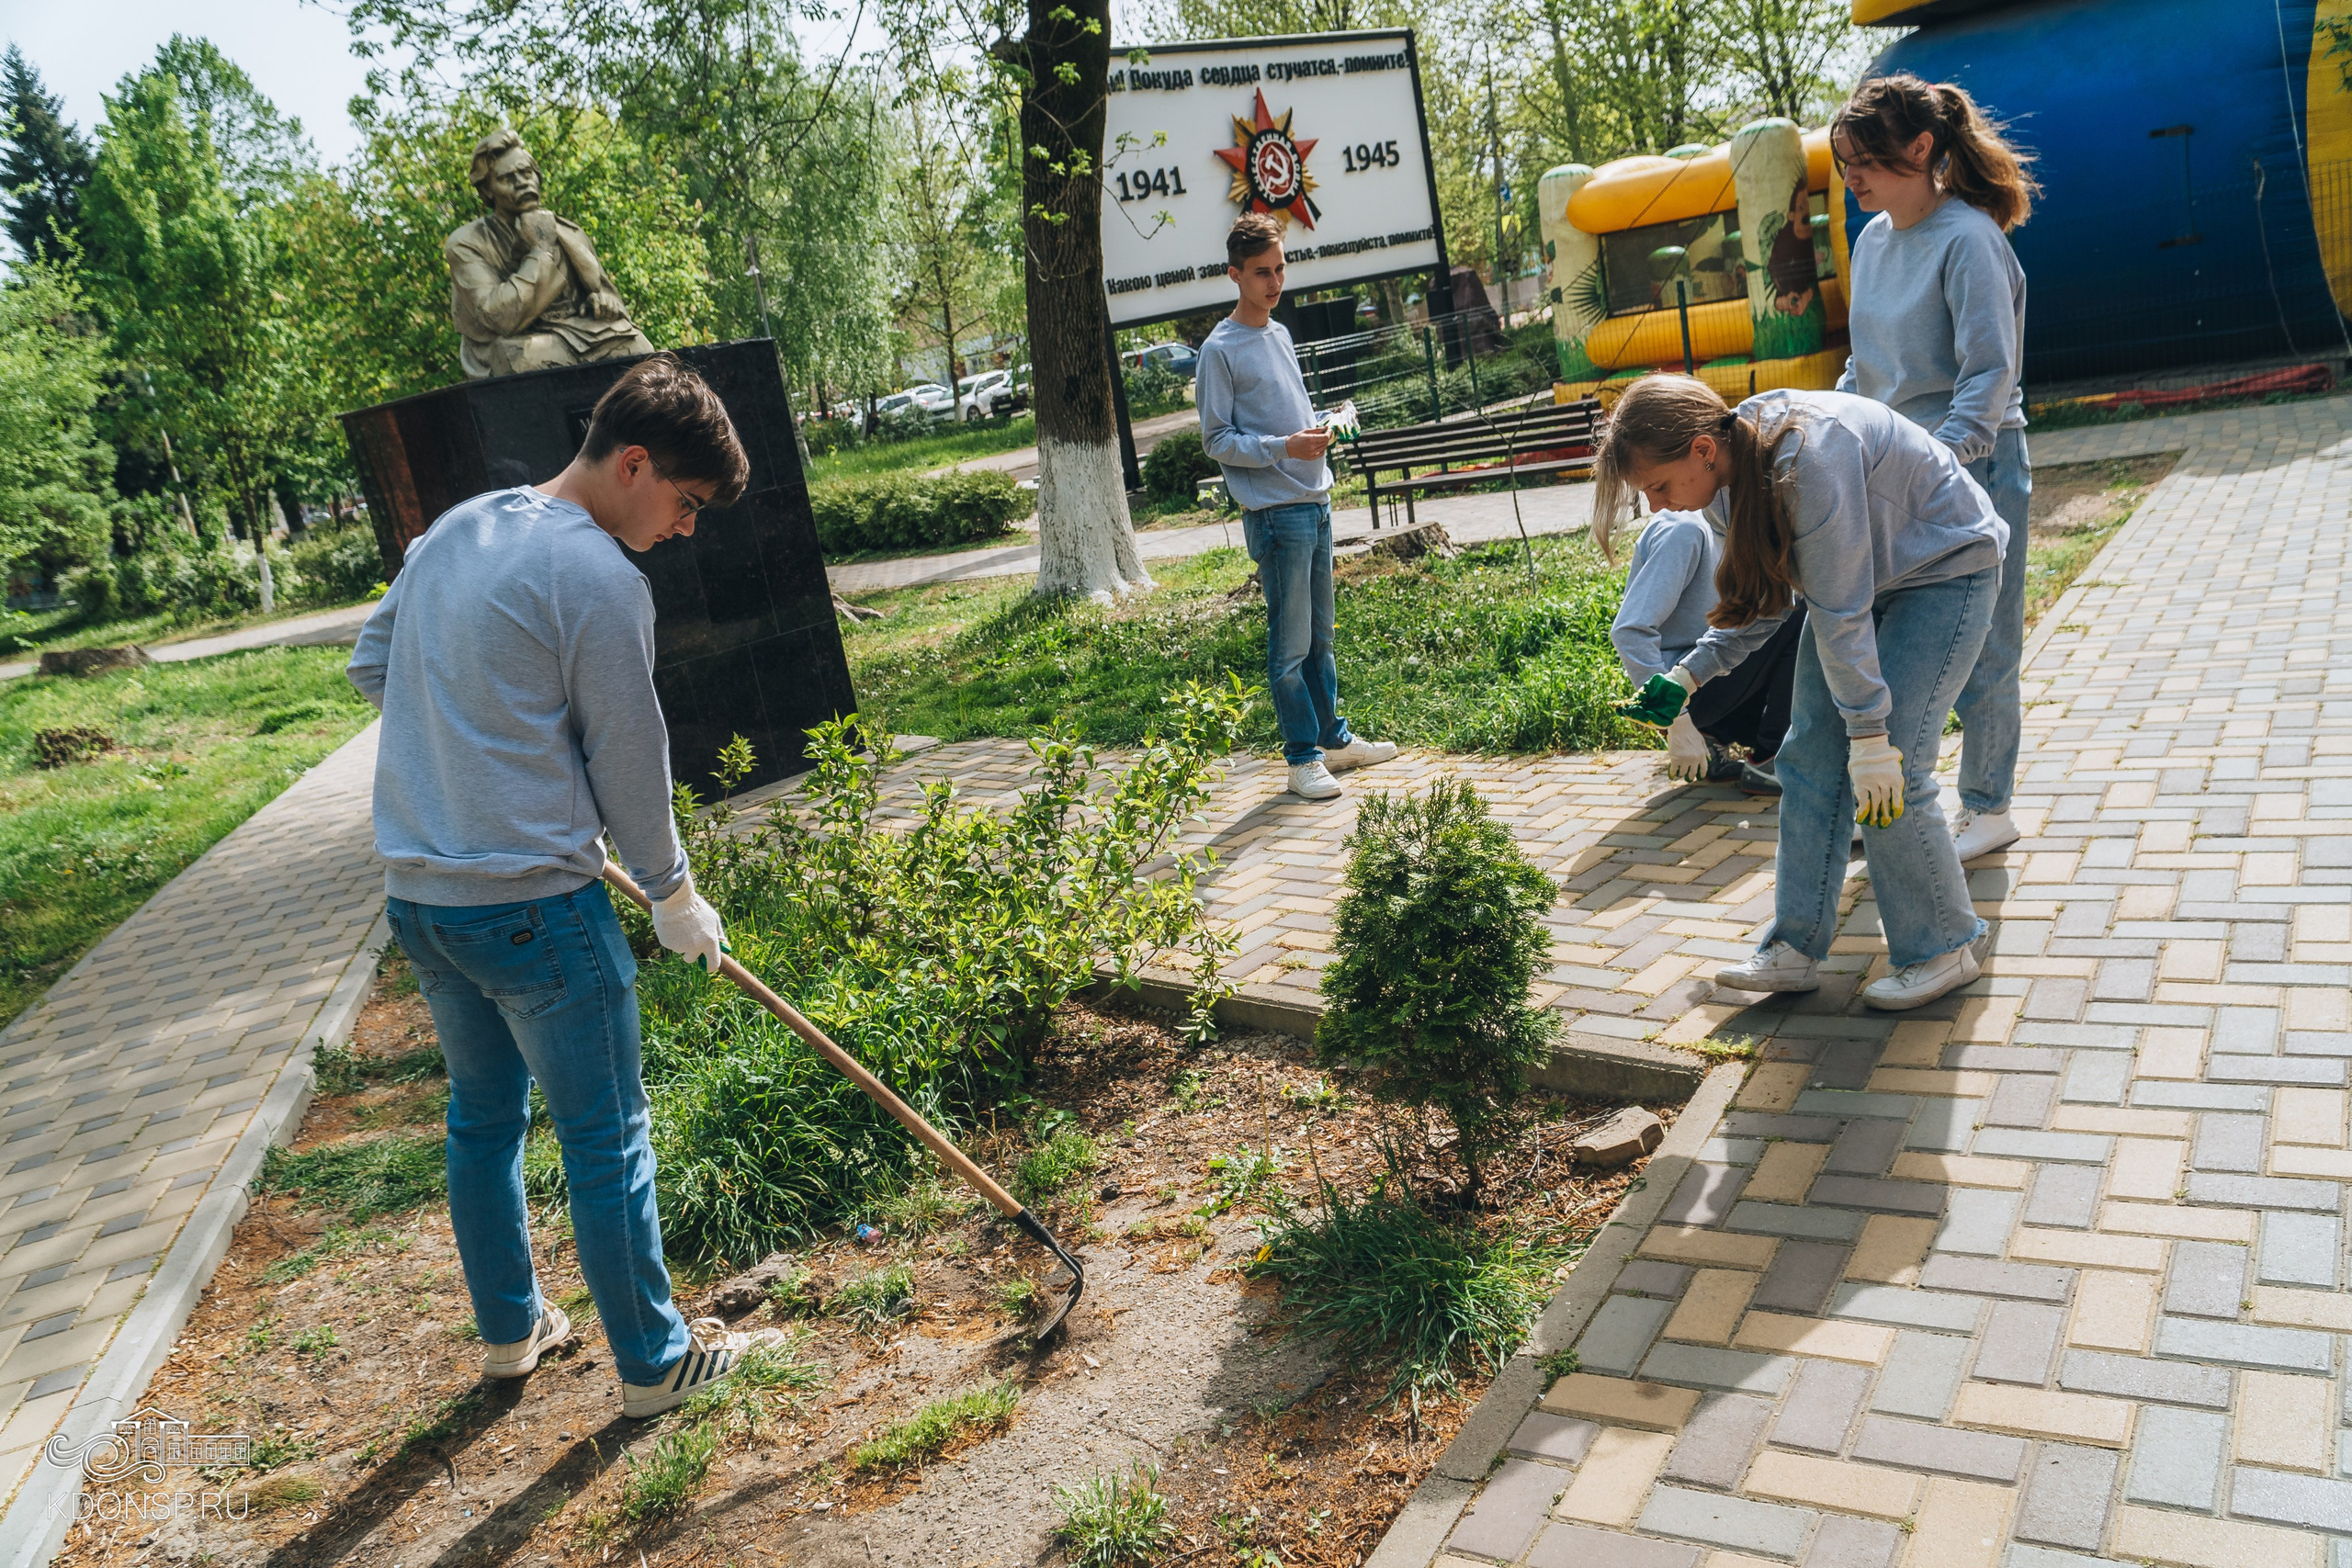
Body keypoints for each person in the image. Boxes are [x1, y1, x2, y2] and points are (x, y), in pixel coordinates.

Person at [348, 355, 779, 1418]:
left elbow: (374, 666)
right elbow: (629, 759)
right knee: (605, 1132)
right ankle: (654, 1361)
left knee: (482, 1121)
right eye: (683, 503)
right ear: (633, 463)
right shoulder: (596, 576)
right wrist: (672, 891)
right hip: (536, 910)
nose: (685, 530)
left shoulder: (455, 528)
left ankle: (510, 1329)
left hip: (424, 902)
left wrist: (474, 749)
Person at [1602, 377, 2007, 1011]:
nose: (1657, 507)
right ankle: (1793, 948)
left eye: (1657, 486)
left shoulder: (1809, 458)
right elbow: (1769, 602)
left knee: (1893, 757)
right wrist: (1688, 675)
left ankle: (1945, 945)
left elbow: (1839, 610)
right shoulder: (1723, 487)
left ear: (1703, 449)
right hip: (1867, 584)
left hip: (1946, 570)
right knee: (1807, 755)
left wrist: (1870, 736)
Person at [1833, 73, 2038, 863]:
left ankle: (1988, 805)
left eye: (1867, 162)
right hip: (1890, 465)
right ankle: (1888, 798)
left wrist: (1943, 459)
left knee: (1986, 640)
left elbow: (1990, 371)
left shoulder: (1970, 240)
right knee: (1887, 640)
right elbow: (1866, 363)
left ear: (1921, 150)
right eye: (1846, 161)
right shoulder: (1872, 238)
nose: (1853, 176)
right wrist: (1840, 427)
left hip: (1975, 465)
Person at [1197, 211, 1398, 800]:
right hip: (1276, 515)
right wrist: (1284, 447)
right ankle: (1301, 757)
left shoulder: (1280, 335)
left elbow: (1289, 420)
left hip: (1316, 500)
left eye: (1281, 268)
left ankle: (1334, 741)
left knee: (1322, 638)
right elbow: (1216, 440)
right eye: (1262, 272)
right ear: (1234, 275)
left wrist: (1324, 428)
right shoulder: (1219, 351)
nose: (1274, 282)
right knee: (1289, 647)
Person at [1601, 504, 1804, 795]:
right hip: (1678, 694)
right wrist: (1676, 718)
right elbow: (1629, 631)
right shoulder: (1683, 530)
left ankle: (1713, 736)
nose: (1651, 503)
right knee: (1793, 607)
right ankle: (1771, 758)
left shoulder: (1729, 525)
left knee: (1769, 610)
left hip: (1704, 682)